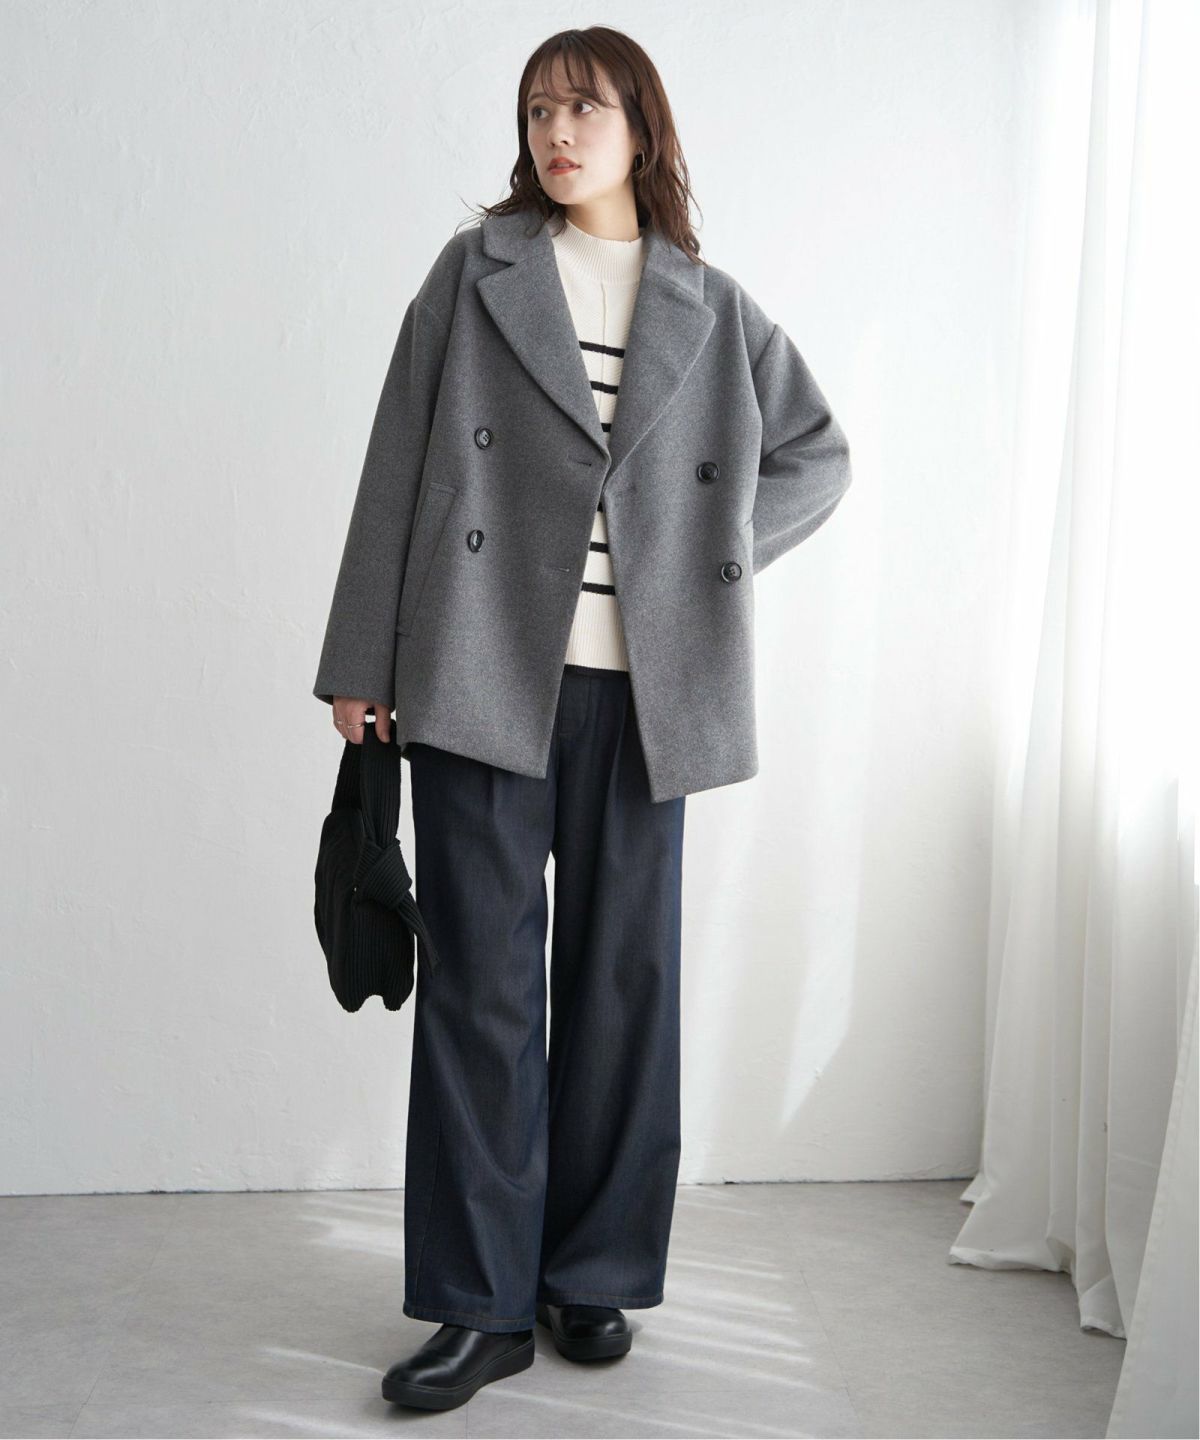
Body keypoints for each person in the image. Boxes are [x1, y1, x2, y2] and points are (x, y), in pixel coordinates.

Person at [313, 25, 852, 1413]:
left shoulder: (709, 306)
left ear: (642, 130)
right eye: (540, 110)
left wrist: (704, 560)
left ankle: (591, 1273)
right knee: (480, 994)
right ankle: (478, 1305)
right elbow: (396, 462)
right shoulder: (477, 272)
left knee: (624, 984)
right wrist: (359, 660)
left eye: (586, 109)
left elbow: (818, 452)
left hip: (648, 696)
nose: (558, 133)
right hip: (482, 676)